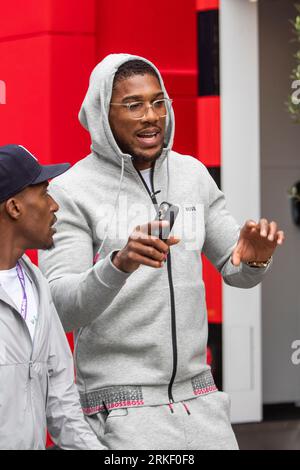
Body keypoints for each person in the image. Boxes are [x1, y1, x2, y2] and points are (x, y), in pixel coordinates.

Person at [39, 54, 285, 450]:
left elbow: (236, 269)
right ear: (103, 112)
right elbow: (61, 307)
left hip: (201, 402)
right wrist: (118, 265)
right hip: (121, 411)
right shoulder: (70, 192)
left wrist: (255, 258)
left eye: (159, 102)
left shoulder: (192, 174)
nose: (151, 116)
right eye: (133, 105)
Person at [0, 144, 105, 450]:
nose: (54, 205)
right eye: (44, 192)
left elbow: (62, 403)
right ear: (15, 207)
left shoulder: (36, 283)